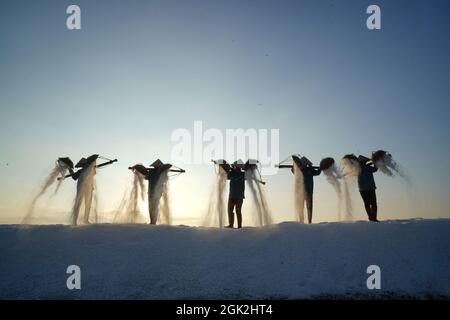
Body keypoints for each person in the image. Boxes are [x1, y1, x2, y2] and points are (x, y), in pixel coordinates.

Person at [295, 156, 321, 224]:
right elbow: (292, 170)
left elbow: (318, 172)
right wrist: (295, 164)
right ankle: (301, 221)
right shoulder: (299, 170)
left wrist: (320, 166)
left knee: (309, 207)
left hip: (309, 192)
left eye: (303, 163)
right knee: (301, 207)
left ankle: (309, 221)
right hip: (301, 193)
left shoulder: (310, 170)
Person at [357, 155, 379, 222]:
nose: (366, 162)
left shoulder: (357, 168)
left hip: (362, 189)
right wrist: (375, 163)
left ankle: (371, 217)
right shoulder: (367, 167)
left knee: (367, 204)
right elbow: (375, 169)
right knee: (373, 204)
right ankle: (373, 218)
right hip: (370, 188)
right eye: (365, 161)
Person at [225, 160, 246, 229]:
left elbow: (247, 174)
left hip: (239, 197)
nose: (236, 168)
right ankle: (231, 225)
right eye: (235, 166)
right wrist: (229, 169)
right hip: (232, 196)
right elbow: (227, 176)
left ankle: (239, 226)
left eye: (237, 167)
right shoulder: (232, 173)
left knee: (238, 210)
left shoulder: (243, 174)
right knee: (230, 210)